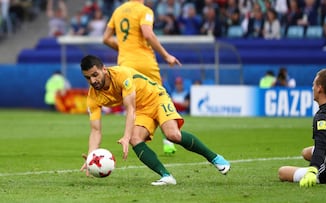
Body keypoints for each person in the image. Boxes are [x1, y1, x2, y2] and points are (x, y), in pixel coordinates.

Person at [79, 55, 231, 185]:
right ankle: (166, 176)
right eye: (88, 78)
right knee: (135, 138)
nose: (92, 81)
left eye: (95, 75)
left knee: (173, 135)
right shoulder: (93, 97)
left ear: (104, 69)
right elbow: (95, 130)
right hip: (142, 109)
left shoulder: (121, 75)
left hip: (156, 98)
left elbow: (130, 108)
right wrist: (92, 156)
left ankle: (216, 159)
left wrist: (125, 137)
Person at [103, 0, 181, 154]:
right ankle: (168, 139)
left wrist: (124, 48)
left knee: (133, 102)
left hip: (125, 64)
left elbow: (105, 38)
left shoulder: (117, 11)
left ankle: (134, 136)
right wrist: (166, 56)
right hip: (144, 62)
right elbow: (147, 33)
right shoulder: (144, 10)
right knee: (159, 96)